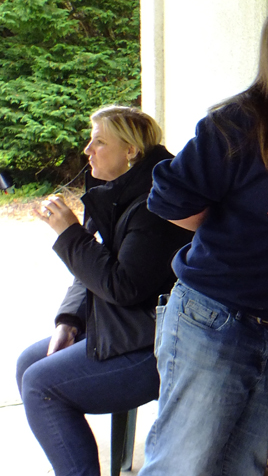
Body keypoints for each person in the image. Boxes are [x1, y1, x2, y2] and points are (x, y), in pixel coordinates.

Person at [138, 0, 268, 476]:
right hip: (214, 318)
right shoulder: (241, 122)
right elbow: (169, 198)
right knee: (182, 466)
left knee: (240, 467)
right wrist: (225, 232)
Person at [15, 106, 192, 476]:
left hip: (157, 343)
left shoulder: (152, 203)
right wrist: (68, 320)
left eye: (98, 141)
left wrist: (68, 234)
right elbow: (92, 269)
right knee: (29, 363)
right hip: (124, 327)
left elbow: (123, 286)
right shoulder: (118, 193)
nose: (87, 150)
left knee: (40, 385)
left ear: (130, 150)